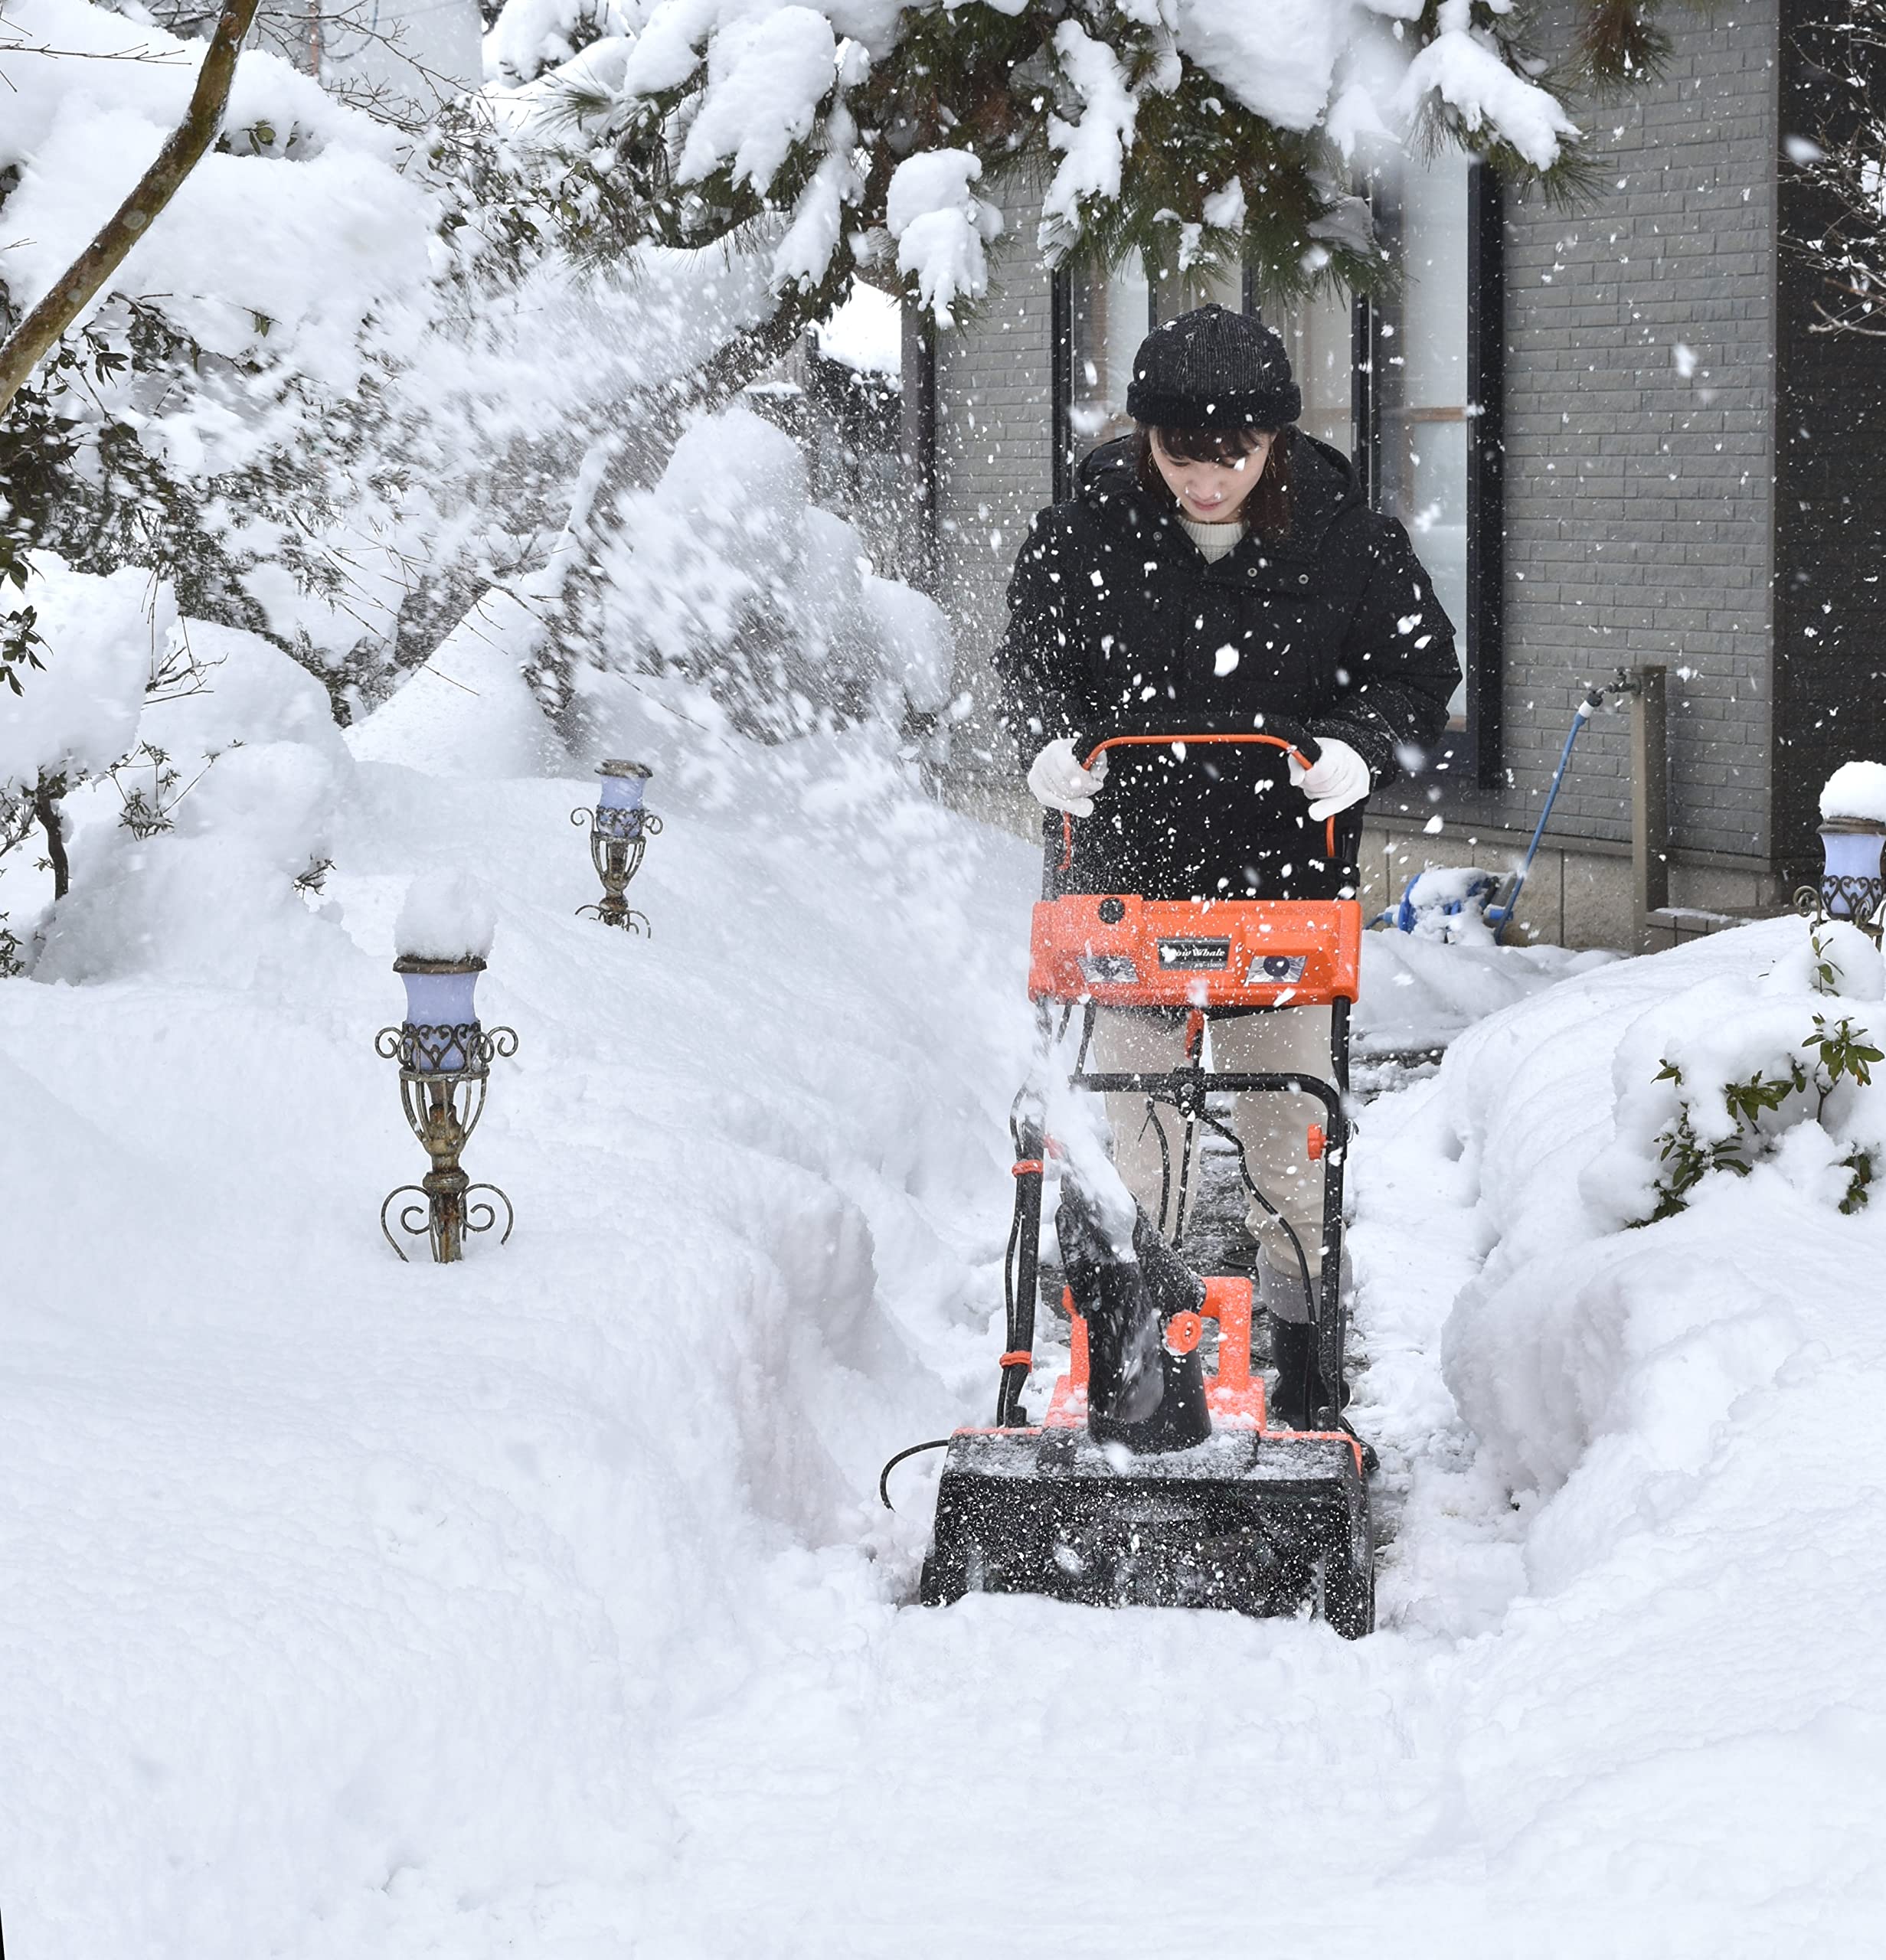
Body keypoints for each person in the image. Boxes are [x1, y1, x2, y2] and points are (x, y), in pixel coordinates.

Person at [993, 303, 1457, 1424]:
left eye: (1234, 459)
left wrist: (1358, 751)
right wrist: (1048, 748)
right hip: (1124, 876)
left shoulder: (1348, 540)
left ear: (1275, 444)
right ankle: (1126, 1349)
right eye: (1182, 458)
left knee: (1285, 1129)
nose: (1208, 484)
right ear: (1147, 440)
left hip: (1284, 883)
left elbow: (1416, 677)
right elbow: (1031, 670)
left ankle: (1299, 1366)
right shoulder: (1083, 535)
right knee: (1127, 1126)